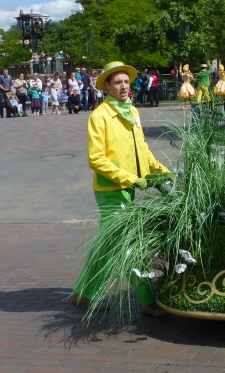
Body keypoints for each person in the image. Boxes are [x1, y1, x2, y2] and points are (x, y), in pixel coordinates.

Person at [69, 60, 170, 317]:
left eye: (126, 81)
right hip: (111, 189)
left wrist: (159, 171)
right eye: (117, 82)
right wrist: (129, 178)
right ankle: (148, 300)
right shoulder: (100, 116)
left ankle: (84, 293)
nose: (123, 86)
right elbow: (96, 158)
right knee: (127, 244)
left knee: (107, 244)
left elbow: (141, 150)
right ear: (107, 87)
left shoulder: (132, 112)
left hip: (130, 186)